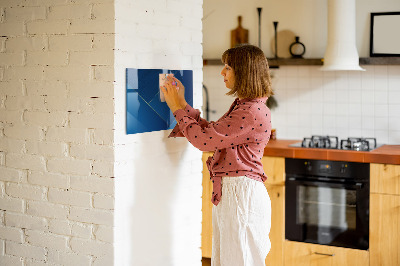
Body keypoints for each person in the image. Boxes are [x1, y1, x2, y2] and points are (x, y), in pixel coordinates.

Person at [161, 44, 273, 266]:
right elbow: (212, 133)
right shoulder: (246, 106)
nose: (222, 72)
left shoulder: (250, 111)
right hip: (236, 193)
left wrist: (176, 107)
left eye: (228, 67)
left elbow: (204, 141)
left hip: (241, 195)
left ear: (244, 72)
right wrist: (182, 103)